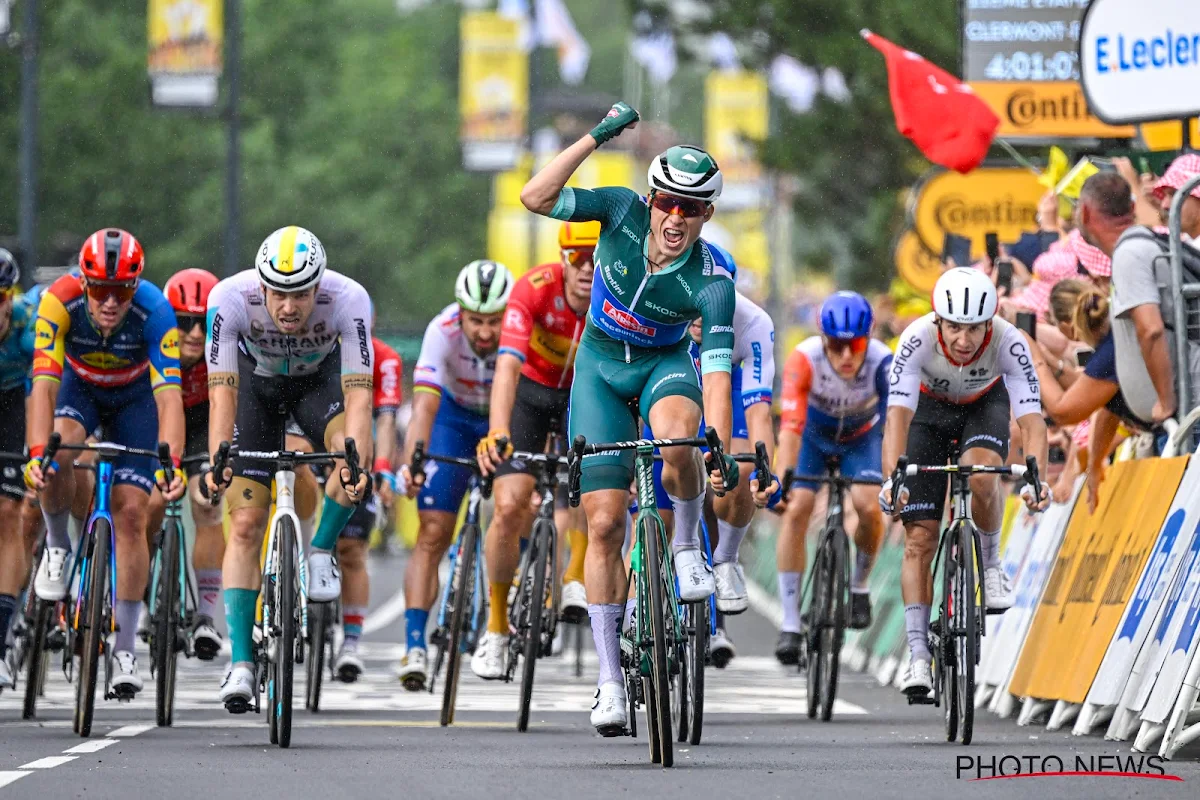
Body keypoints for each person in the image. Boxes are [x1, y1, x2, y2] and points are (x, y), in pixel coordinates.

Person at [519, 100, 743, 735]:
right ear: (650, 196)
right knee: (605, 522)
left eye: (692, 207)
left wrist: (718, 444)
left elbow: (718, 374)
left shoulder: (712, 282)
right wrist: (597, 137)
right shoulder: (615, 210)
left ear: (708, 214)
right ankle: (610, 680)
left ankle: (685, 546)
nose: (675, 217)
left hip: (662, 366)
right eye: (667, 201)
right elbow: (536, 197)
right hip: (598, 372)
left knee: (681, 439)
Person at [204, 226, 373, 711]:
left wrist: (354, 459)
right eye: (277, 292)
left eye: (300, 293)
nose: (288, 306)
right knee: (244, 526)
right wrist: (221, 455)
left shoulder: (349, 299)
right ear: (260, 286)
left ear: (318, 286)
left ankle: (320, 549)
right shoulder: (229, 298)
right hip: (255, 392)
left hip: (318, 388)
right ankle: (241, 663)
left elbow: (359, 393)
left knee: (356, 451)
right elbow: (223, 393)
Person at [25, 229, 187, 697]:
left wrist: (170, 462)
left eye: (121, 291)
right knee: (57, 456)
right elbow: (43, 388)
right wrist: (39, 454)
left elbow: (170, 398)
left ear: (135, 287)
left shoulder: (155, 310)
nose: (111, 303)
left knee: (132, 513)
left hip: (136, 401)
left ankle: (125, 648)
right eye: (100, 291)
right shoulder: (59, 302)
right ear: (84, 283)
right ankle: (57, 545)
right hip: (81, 391)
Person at [879, 267, 1050, 697]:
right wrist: (892, 480)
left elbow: (1032, 420)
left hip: (983, 407)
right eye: (954, 327)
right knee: (920, 539)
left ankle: (991, 569)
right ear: (938, 321)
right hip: (927, 416)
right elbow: (897, 418)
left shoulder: (1010, 340)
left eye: (974, 329)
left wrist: (1036, 478)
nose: (963, 339)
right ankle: (918, 655)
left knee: (981, 475)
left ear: (989, 323)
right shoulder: (915, 339)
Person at [472, 223, 592, 680]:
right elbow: (507, 366)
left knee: (587, 486)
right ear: (562, 259)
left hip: (583, 398)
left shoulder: (614, 296)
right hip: (532, 397)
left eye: (595, 258)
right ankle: (497, 630)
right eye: (577, 258)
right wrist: (498, 429)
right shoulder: (534, 290)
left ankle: (574, 577)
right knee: (507, 506)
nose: (587, 268)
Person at [395, 260, 512, 690]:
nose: (484, 332)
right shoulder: (440, 330)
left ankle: (509, 606)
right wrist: (415, 462)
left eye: (493, 322)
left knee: (513, 508)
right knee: (432, 531)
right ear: (459, 312)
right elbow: (424, 406)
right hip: (454, 420)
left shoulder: (522, 330)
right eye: (476, 321)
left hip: (507, 419)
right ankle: (414, 644)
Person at [773, 291, 892, 665]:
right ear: (823, 339)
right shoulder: (804, 359)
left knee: (869, 507)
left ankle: (858, 585)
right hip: (813, 437)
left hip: (862, 440)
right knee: (798, 509)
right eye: (836, 346)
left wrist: (894, 481)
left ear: (868, 339)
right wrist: (782, 483)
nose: (845, 356)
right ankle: (791, 622)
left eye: (854, 345)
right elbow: (790, 428)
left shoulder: (883, 362)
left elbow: (894, 427)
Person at [142, 268, 227, 660]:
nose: (195, 333)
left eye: (204, 323)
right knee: (147, 505)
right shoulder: (150, 343)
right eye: (185, 322)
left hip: (203, 422)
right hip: (156, 418)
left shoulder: (222, 351)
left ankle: (206, 615)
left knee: (207, 503)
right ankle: (144, 588)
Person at [1076, 170, 1189, 428]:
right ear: (1133, 207)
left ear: (1084, 213)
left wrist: (1166, 402)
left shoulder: (1129, 253)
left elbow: (1151, 330)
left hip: (1182, 418)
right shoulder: (1140, 245)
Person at [332, 331, 402, 682]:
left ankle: (352, 643)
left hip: (357, 452)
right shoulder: (311, 343)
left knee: (351, 551)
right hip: (315, 444)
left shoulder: (384, 356)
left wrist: (385, 470)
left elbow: (386, 419)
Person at [0, 251, 39, 689]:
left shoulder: (28, 324)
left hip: (15, 403)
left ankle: (0, 637)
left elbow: (45, 388)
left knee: (10, 511)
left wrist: (37, 452)